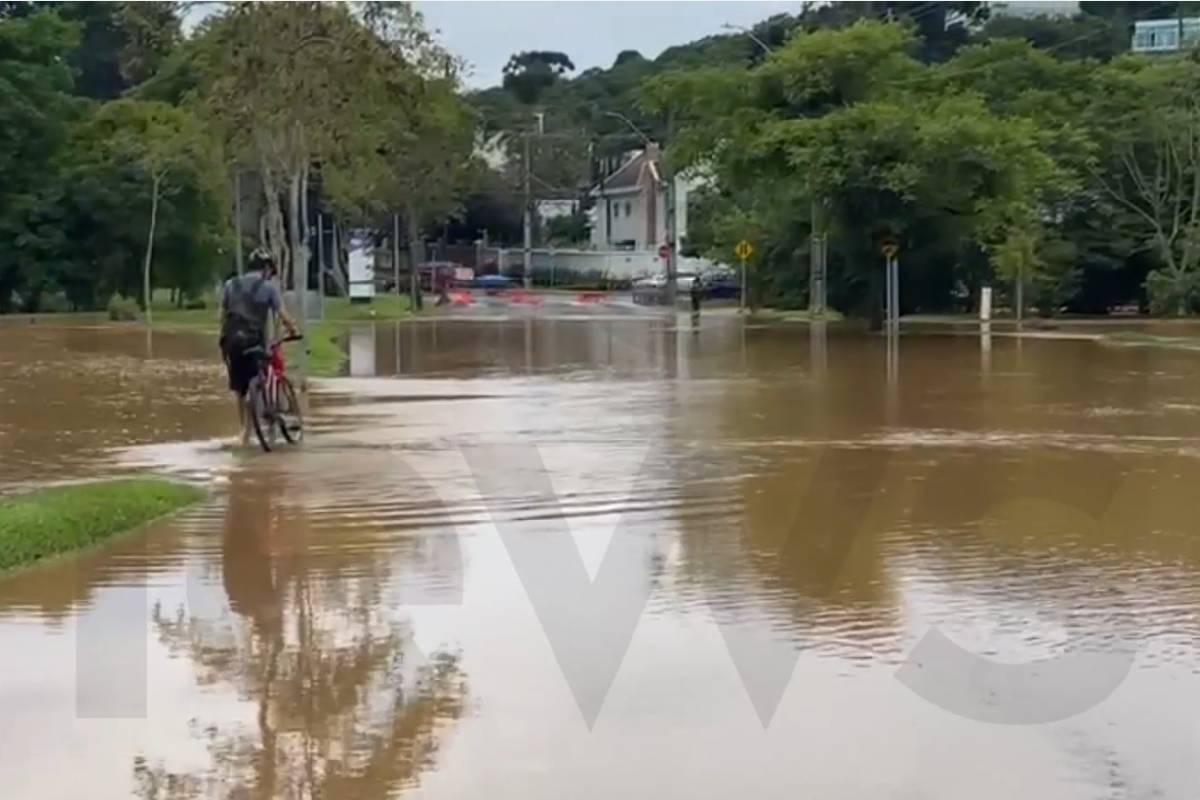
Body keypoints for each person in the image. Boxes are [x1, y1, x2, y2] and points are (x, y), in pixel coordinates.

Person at [219, 248, 298, 445]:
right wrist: (294, 330)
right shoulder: (269, 288)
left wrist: (223, 337)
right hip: (255, 342)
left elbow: (221, 315)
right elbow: (282, 314)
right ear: (266, 269)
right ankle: (265, 408)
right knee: (259, 374)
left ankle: (244, 433)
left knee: (239, 388)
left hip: (232, 342)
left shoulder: (230, 285)